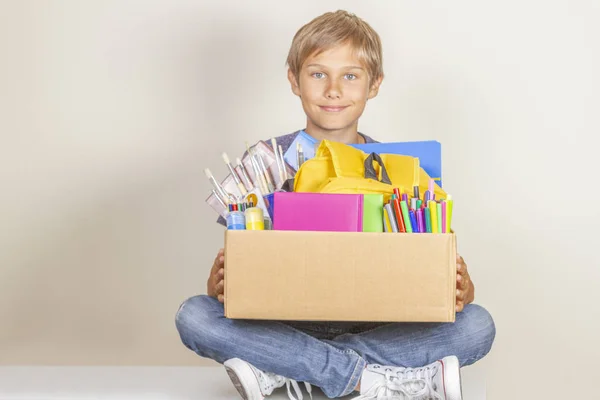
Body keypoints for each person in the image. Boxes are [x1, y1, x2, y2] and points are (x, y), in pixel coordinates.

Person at [176, 10, 495, 400]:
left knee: (477, 325)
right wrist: (220, 285)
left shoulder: (401, 170)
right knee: (194, 315)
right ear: (294, 79)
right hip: (284, 323)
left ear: (373, 84)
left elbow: (427, 273)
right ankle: (367, 377)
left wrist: (461, 288)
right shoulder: (263, 161)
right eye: (317, 74)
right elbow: (231, 280)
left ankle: (287, 368)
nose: (333, 90)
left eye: (350, 75)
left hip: (376, 323)